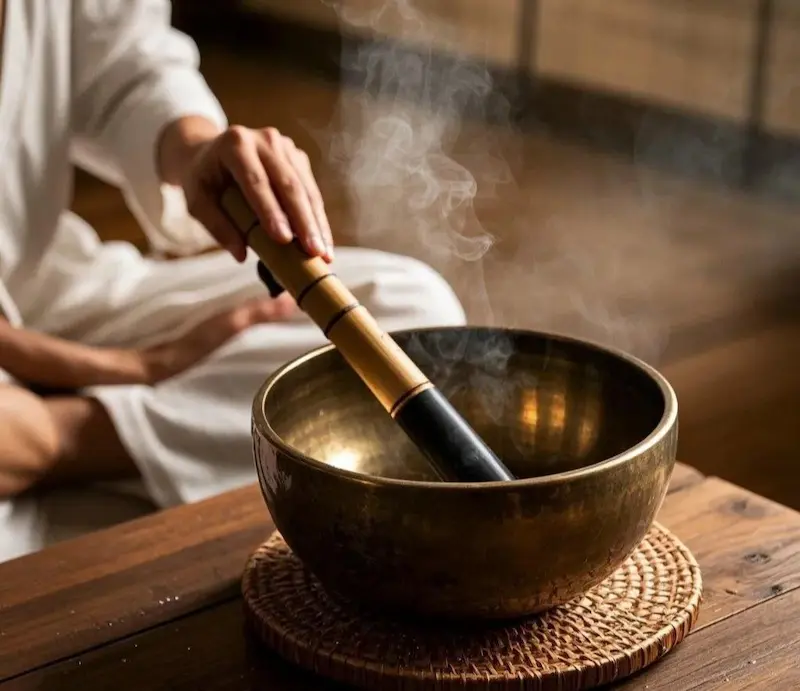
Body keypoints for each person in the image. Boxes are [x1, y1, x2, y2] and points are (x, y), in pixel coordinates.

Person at [0, 0, 466, 562]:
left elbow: (120, 62)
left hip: (38, 287)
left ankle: (62, 438)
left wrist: (196, 149)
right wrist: (134, 369)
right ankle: (63, 450)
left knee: (414, 316)